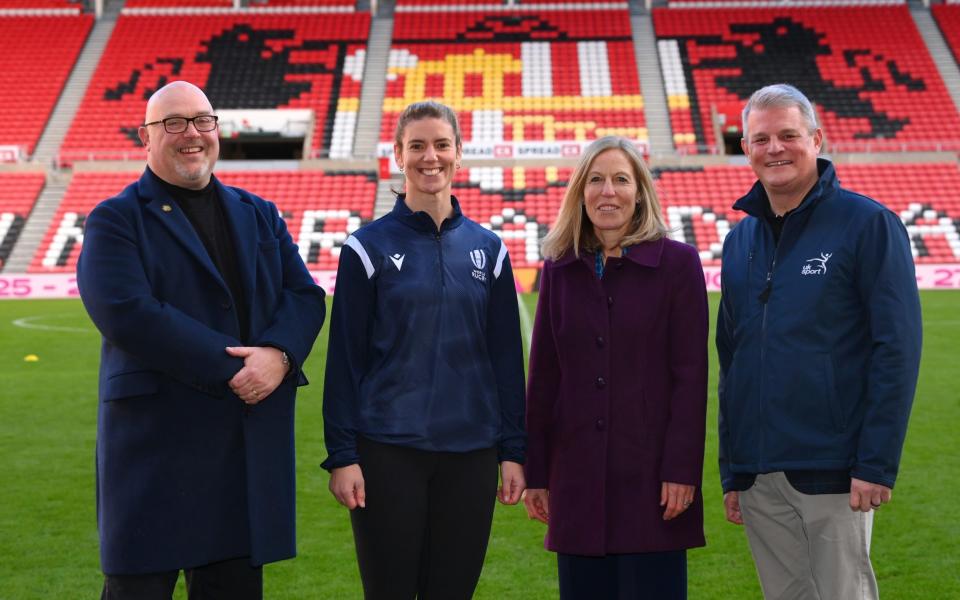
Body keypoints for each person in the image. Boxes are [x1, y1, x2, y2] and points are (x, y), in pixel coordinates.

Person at [77, 80, 326, 600]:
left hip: (239, 456)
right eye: (172, 123)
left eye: (202, 121)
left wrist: (279, 356)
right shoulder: (115, 219)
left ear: (217, 130)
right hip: (154, 457)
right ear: (146, 137)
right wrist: (237, 367)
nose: (191, 134)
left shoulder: (257, 212)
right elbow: (127, 313)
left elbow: (304, 296)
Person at [717, 83, 922, 599]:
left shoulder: (868, 224)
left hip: (834, 470)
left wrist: (875, 463)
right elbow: (732, 359)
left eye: (788, 135)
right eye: (761, 139)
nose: (775, 149)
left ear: (816, 138)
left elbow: (896, 350)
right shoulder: (739, 239)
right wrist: (733, 468)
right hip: (760, 472)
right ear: (746, 148)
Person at [321, 100, 526, 599]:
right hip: (387, 453)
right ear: (398, 155)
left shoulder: (489, 248)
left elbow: (506, 361)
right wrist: (343, 455)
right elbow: (345, 362)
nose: (429, 157)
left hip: (471, 454)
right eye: (417, 146)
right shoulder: (364, 249)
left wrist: (514, 452)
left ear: (458, 153)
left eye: (440, 144)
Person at [523, 135, 709, 600]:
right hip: (577, 479)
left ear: (640, 191)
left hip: (653, 482)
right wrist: (538, 473)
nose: (608, 192)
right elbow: (544, 377)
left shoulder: (679, 264)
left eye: (621, 180)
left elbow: (691, 377)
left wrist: (682, 469)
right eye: (596, 180)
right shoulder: (559, 268)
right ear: (580, 193)